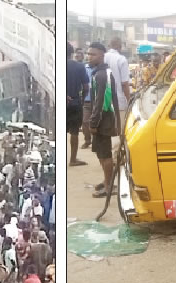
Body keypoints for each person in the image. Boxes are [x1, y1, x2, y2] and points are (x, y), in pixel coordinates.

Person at [88, 42, 121, 198]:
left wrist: (94, 122)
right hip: (101, 118)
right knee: (100, 152)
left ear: (101, 56)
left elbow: (102, 102)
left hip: (104, 119)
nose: (89, 57)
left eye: (92, 54)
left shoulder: (103, 75)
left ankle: (109, 186)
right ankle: (106, 180)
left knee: (105, 154)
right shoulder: (97, 73)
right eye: (89, 54)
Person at [66, 42, 90, 166]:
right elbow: (86, 86)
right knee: (74, 132)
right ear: (72, 53)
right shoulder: (79, 67)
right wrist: (82, 98)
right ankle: (73, 159)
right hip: (75, 103)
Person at [104, 37, 130, 133]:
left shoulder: (102, 57)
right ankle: (118, 147)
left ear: (109, 46)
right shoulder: (121, 59)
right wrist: (129, 100)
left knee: (106, 126)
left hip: (103, 99)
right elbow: (124, 83)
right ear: (119, 46)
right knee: (120, 126)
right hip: (119, 100)